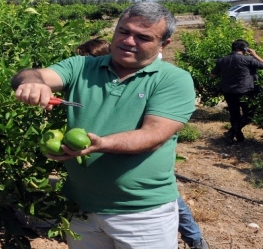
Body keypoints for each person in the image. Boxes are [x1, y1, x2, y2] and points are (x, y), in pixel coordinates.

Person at [12, 1, 196, 248]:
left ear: (164, 44)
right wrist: (33, 83)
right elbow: (33, 74)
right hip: (81, 208)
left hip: (142, 214)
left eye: (143, 37)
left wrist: (101, 144)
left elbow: (154, 135)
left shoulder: (173, 80)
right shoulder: (81, 67)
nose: (128, 41)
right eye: (124, 31)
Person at [74, 38, 209, 249]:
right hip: (92, 205)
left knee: (173, 198)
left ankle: (195, 239)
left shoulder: (163, 76)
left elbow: (154, 133)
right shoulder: (91, 81)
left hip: (142, 193)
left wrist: (102, 142)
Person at [211, 39, 263, 143]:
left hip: (228, 91)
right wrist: (255, 55)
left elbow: (213, 75)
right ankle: (231, 132)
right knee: (249, 114)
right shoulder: (248, 60)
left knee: (234, 114)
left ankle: (238, 137)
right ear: (245, 49)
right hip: (245, 91)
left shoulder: (222, 60)